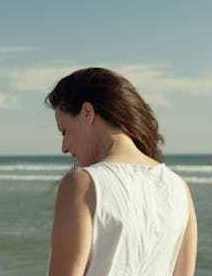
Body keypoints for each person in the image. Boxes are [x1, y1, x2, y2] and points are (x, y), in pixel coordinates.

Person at [45, 67, 197, 276]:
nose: (64, 147)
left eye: (64, 131)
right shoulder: (180, 188)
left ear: (87, 113)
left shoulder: (83, 184)